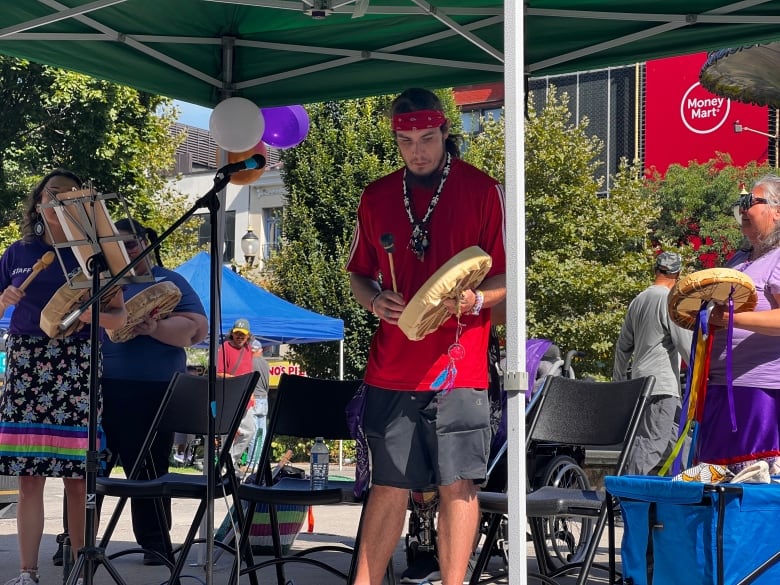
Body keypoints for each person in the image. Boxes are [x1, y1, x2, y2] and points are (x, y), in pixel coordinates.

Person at [346, 87, 506, 585]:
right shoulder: (375, 196)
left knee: (457, 486)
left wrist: (476, 301)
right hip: (391, 369)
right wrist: (374, 300)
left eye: (428, 138)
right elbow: (358, 274)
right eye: (407, 141)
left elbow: (507, 277)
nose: (418, 151)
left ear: (445, 134)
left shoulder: (482, 190)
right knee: (389, 488)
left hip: (460, 368)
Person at [0, 169, 127, 585]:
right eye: (51, 195)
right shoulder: (18, 253)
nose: (58, 202)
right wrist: (3, 299)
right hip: (27, 363)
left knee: (77, 477)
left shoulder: (96, 256)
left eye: (69, 195)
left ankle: (78, 567)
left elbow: (118, 320)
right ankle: (27, 572)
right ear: (38, 204)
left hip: (77, 361)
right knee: (29, 476)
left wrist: (90, 314)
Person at [100, 218, 208, 565]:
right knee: (88, 469)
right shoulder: (101, 282)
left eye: (131, 244)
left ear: (147, 242)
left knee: (147, 470)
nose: (126, 252)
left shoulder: (168, 281)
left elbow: (196, 330)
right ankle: (75, 540)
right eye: (116, 246)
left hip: (153, 390)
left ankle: (155, 545)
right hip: (100, 386)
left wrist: (154, 327)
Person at [701, 174, 780, 475]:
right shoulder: (739, 259)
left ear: (777, 211)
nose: (744, 208)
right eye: (742, 203)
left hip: (759, 392)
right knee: (715, 481)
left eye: (753, 201)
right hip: (720, 387)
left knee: (751, 480)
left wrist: (733, 318)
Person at [613, 251, 693, 475]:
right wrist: (703, 372)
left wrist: (619, 382)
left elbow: (622, 346)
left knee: (683, 437)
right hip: (662, 387)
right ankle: (626, 496)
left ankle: (685, 490)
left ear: (656, 270)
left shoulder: (638, 300)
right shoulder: (669, 299)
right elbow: (683, 343)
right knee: (651, 444)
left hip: (641, 384)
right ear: (677, 274)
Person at [217, 318, 259, 464]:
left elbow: (249, 373)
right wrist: (237, 382)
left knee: (249, 431)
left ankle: (229, 462)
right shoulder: (224, 347)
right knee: (227, 435)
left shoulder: (248, 350)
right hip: (229, 397)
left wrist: (251, 392)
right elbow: (219, 373)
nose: (240, 337)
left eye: (243, 334)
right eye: (237, 333)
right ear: (232, 334)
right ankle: (224, 469)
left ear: (248, 336)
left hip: (246, 397)